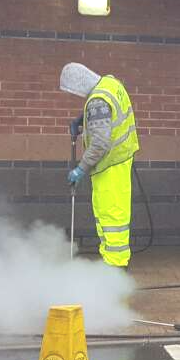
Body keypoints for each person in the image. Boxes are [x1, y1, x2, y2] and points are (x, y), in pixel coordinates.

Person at [60, 62, 139, 268]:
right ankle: (113, 264)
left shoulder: (97, 102)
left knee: (111, 218)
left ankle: (115, 269)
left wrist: (81, 169)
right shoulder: (110, 83)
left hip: (109, 167)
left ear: (78, 86)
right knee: (115, 216)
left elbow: (100, 143)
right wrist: (84, 121)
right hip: (120, 161)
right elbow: (109, 117)